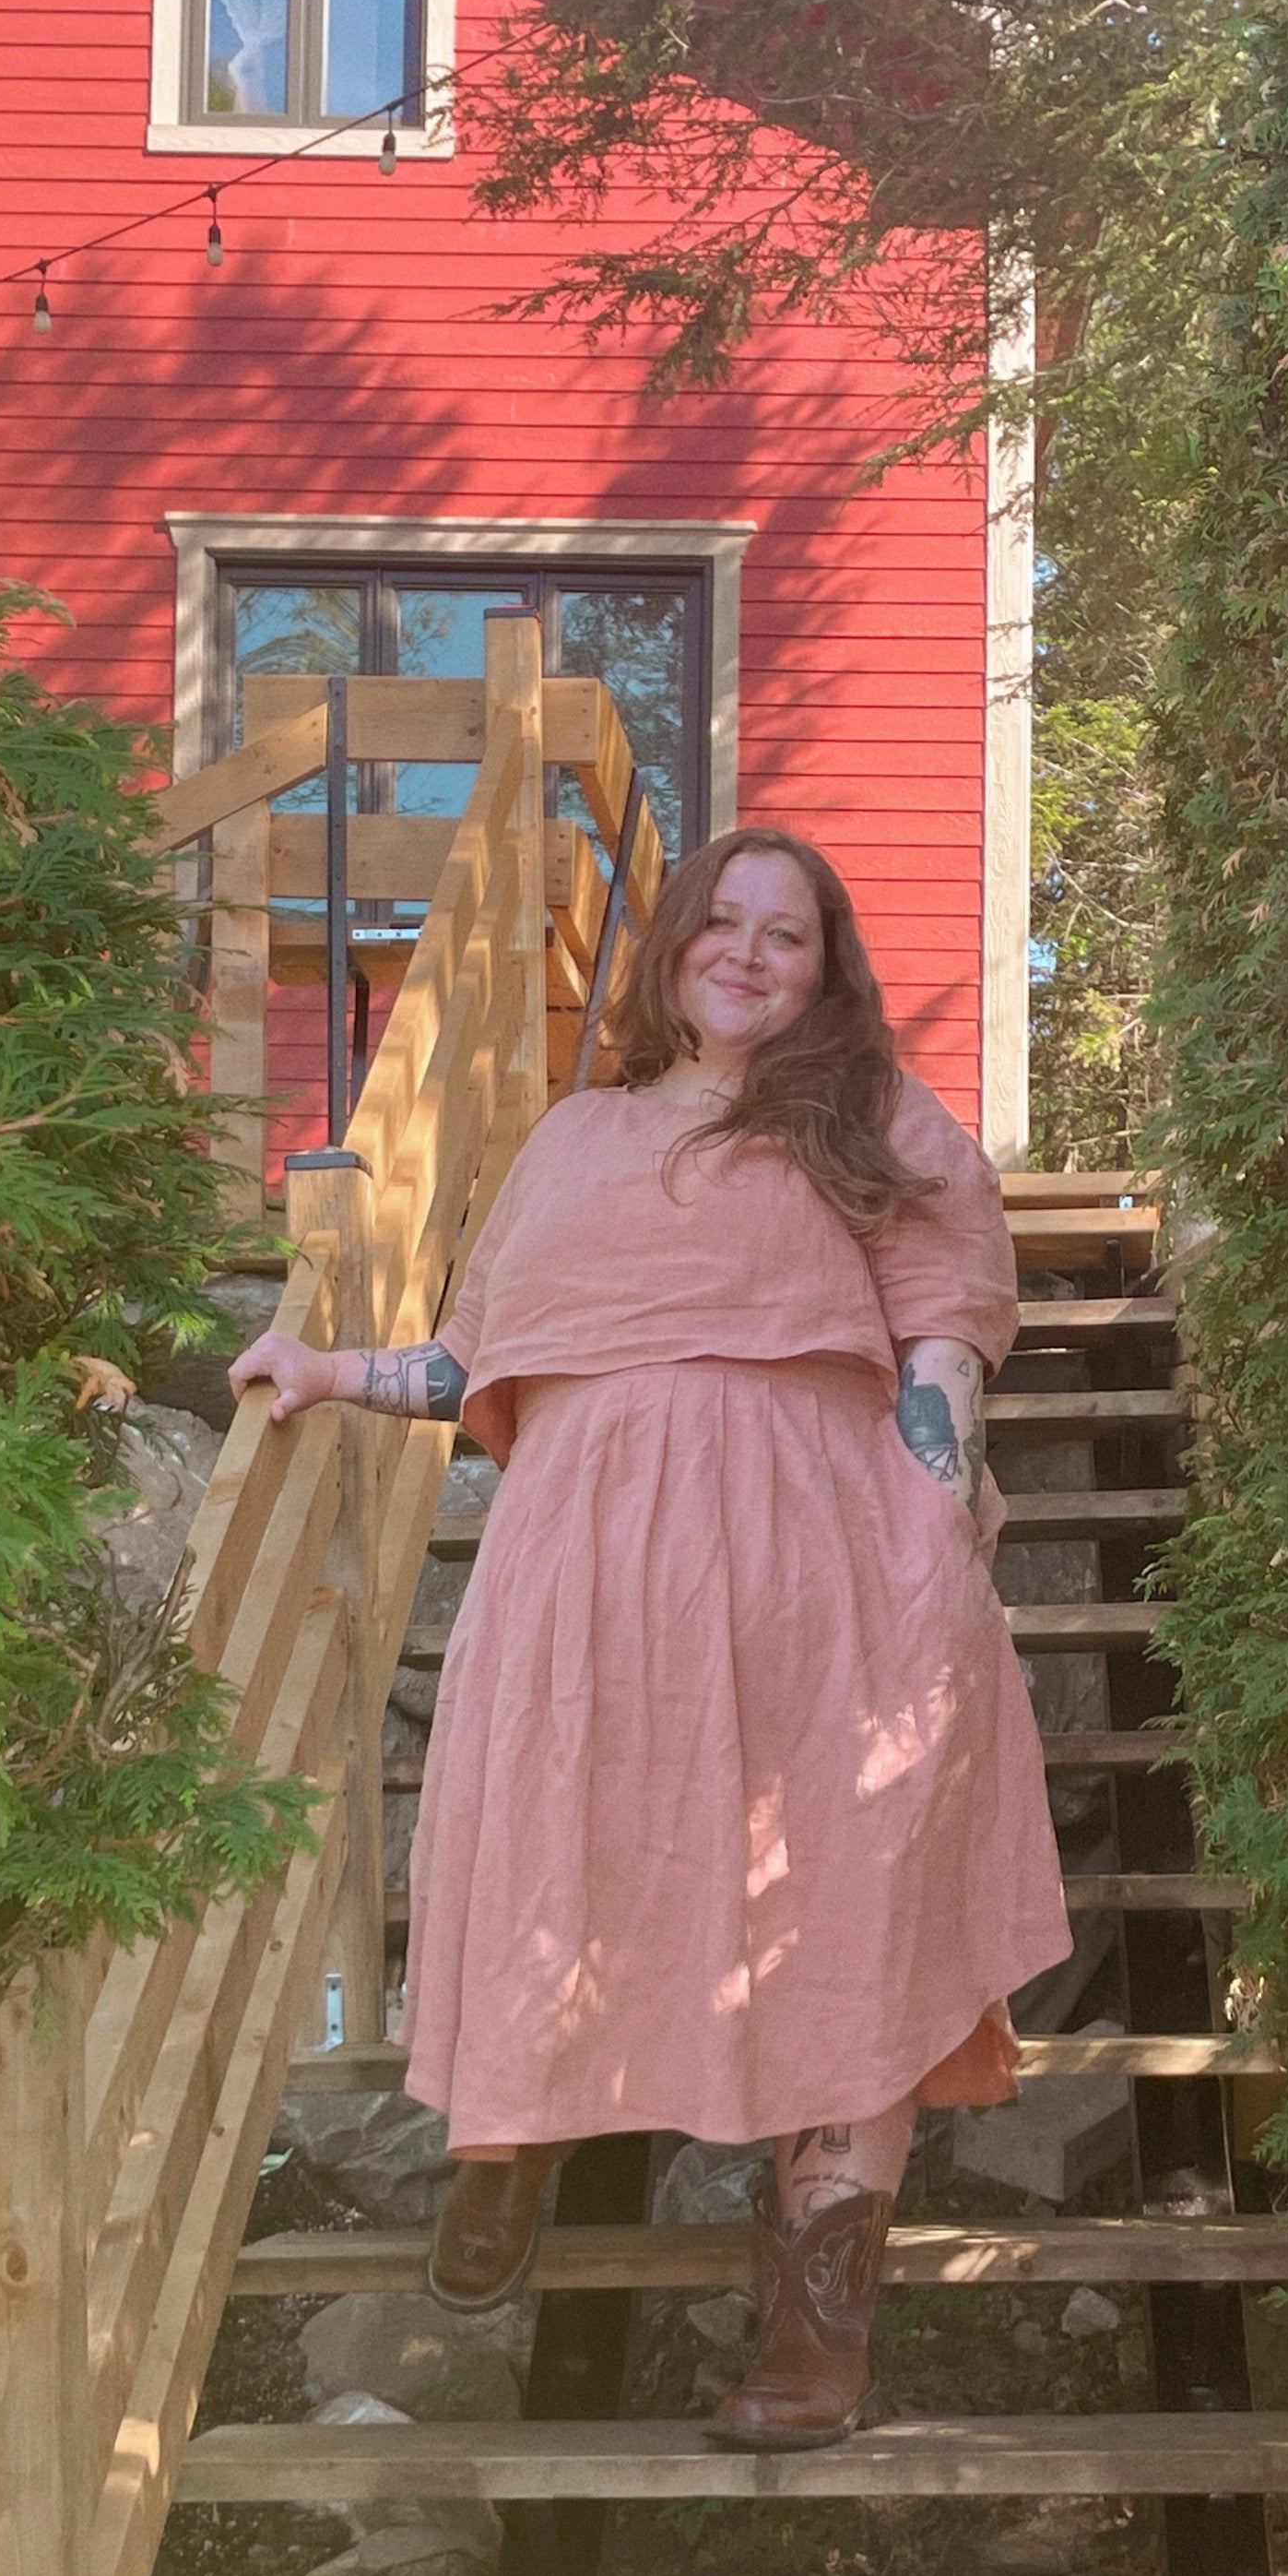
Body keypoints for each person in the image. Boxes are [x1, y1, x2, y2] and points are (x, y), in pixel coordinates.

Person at [229, 829, 1070, 2449]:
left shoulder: (872, 1115)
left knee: (850, 1896)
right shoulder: (575, 1136)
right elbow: (479, 1353)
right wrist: (329, 1371)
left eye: (788, 934)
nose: (750, 953)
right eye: (721, 924)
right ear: (674, 949)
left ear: (826, 969)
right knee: (555, 1838)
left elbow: (943, 1336)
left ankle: (817, 2321)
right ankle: (509, 2137)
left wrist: (937, 1518)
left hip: (824, 1554)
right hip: (588, 1560)